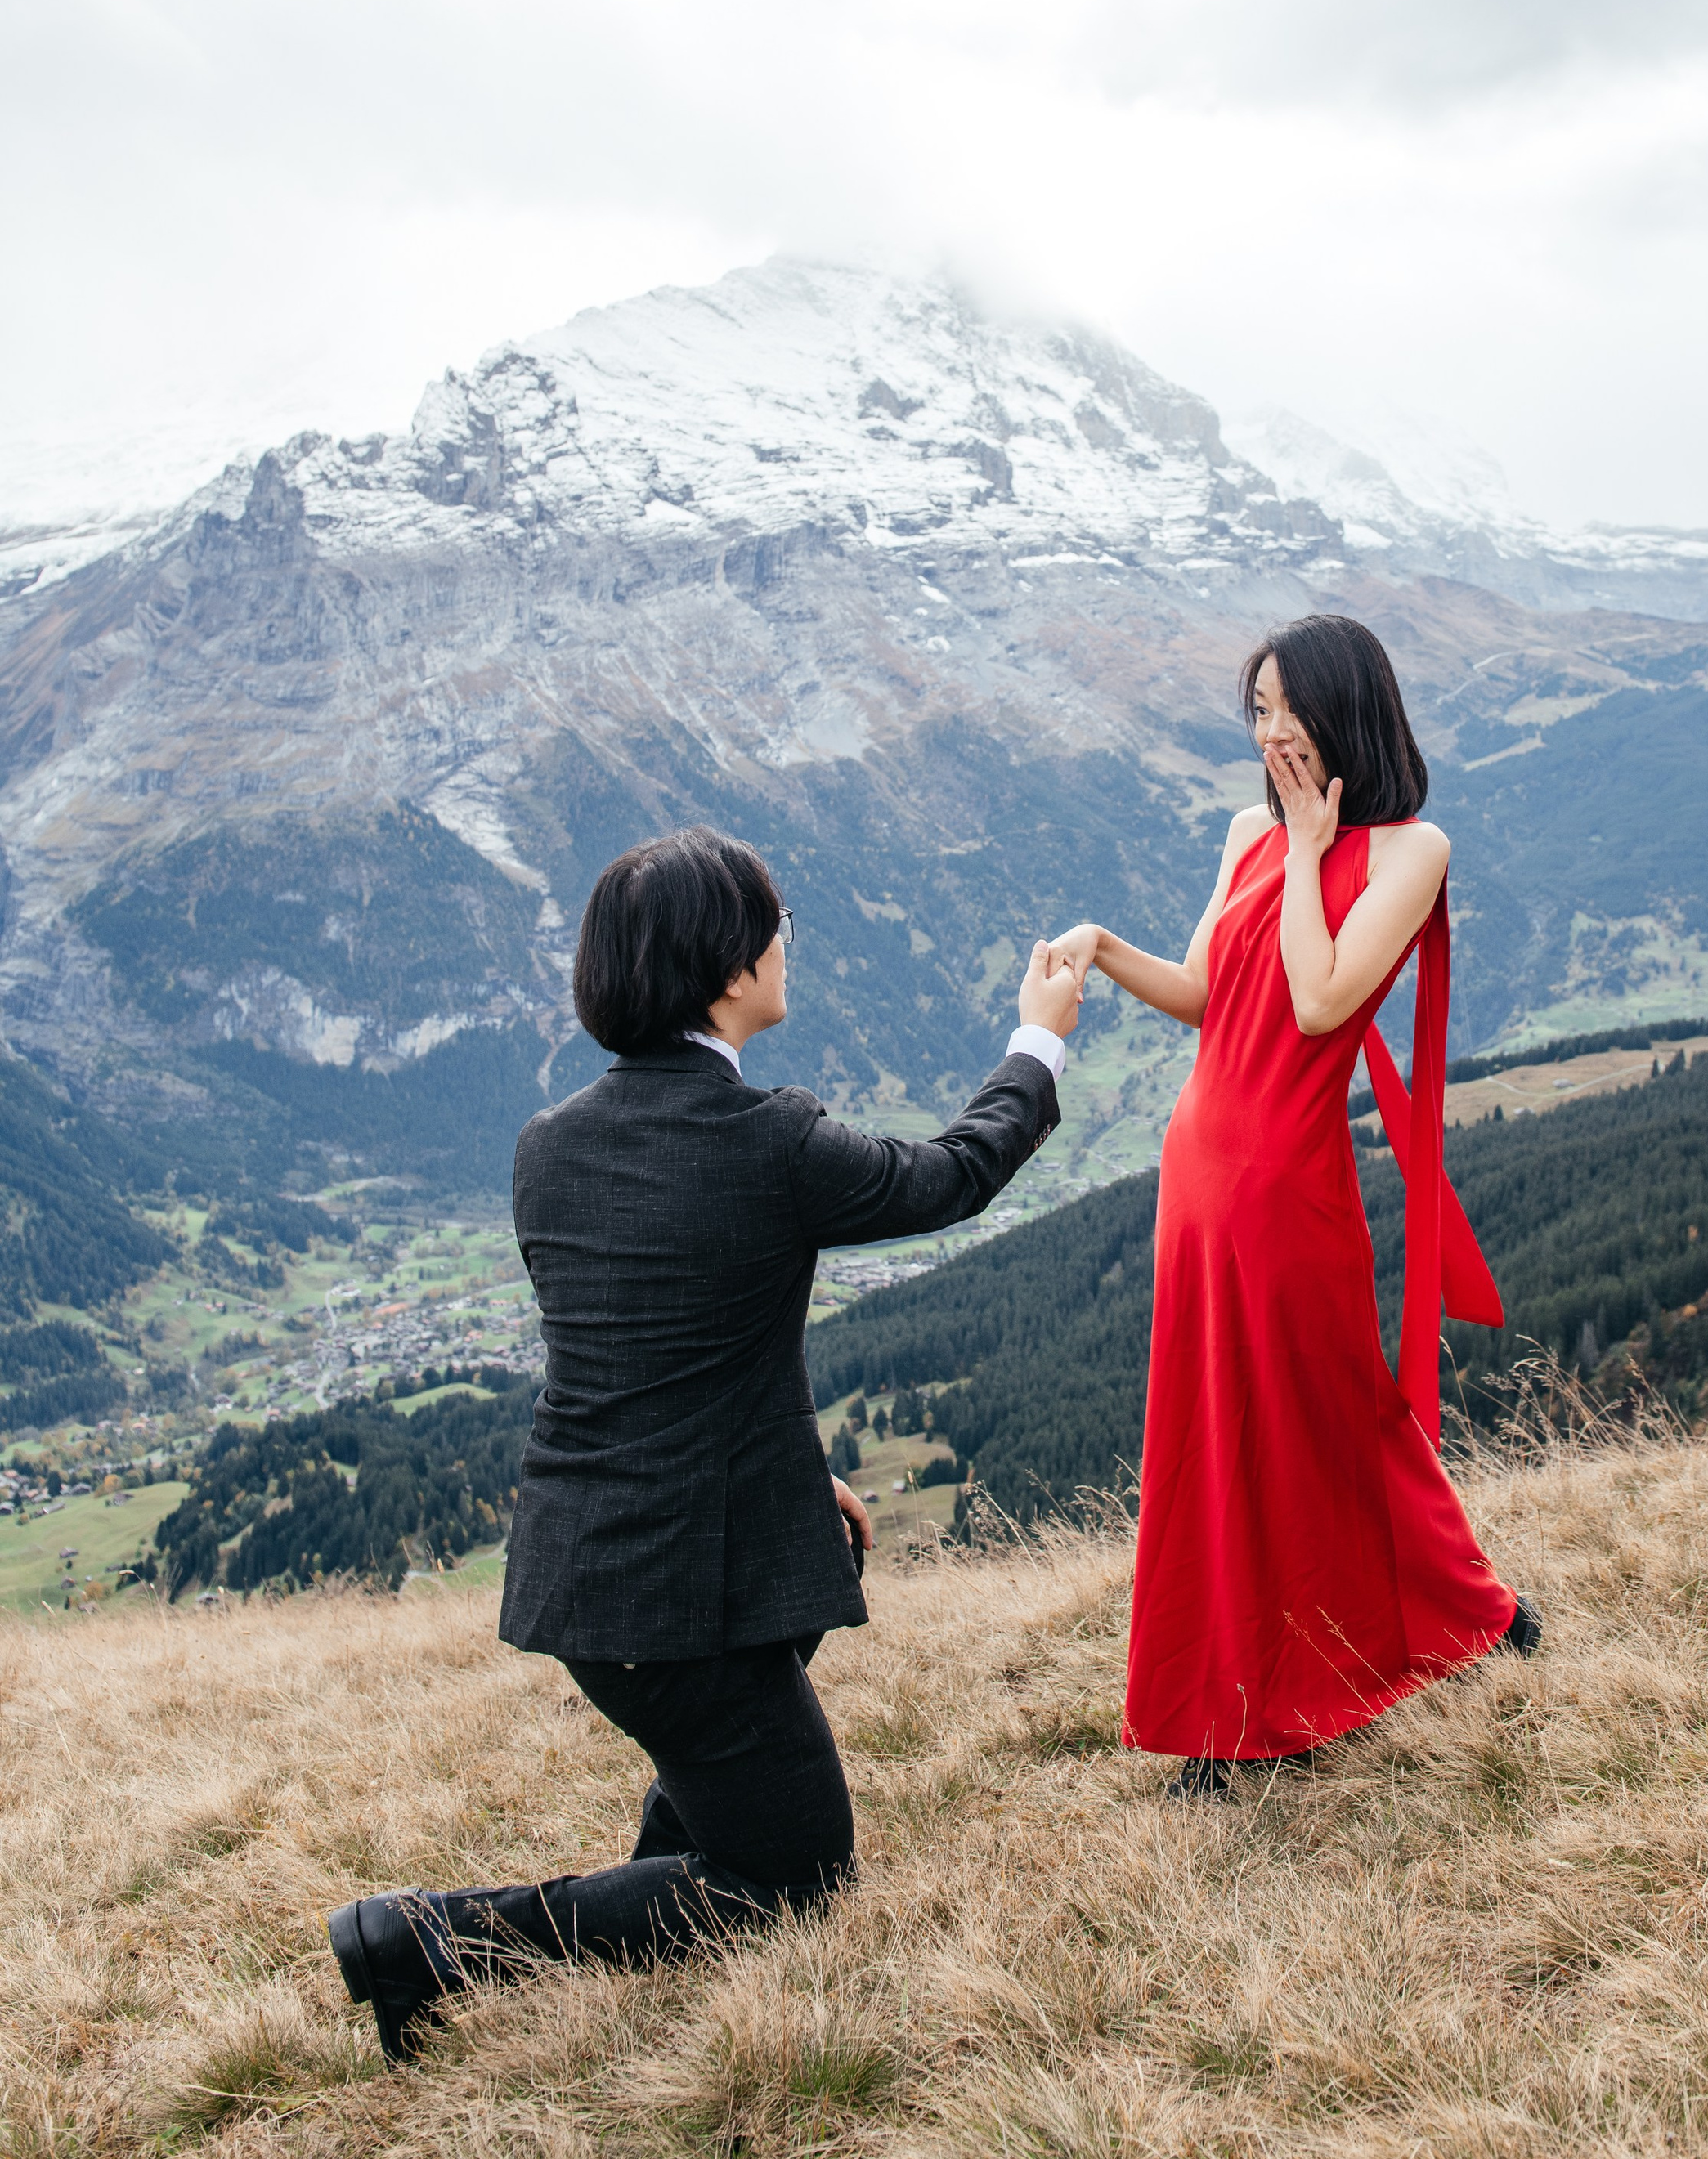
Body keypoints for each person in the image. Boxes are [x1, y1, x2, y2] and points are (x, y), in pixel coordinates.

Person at [329, 824, 1080, 2058]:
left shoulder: (546, 1148)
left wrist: (799, 1476)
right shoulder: (767, 1139)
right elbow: (951, 1175)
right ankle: (427, 1941)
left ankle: (639, 1928)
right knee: (795, 1874)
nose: (788, 944)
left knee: (736, 1783)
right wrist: (1037, 1036)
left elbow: (658, 1356)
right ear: (728, 971)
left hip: (594, 1571)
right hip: (671, 1599)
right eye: (775, 925)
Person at [1048, 614, 1535, 1798]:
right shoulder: (1242, 834)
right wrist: (1105, 947)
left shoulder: (1411, 850)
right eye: (1255, 709)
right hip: (1200, 1167)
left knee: (1326, 1415)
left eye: (1287, 708)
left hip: (1287, 1182)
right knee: (1213, 1433)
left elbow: (1320, 1004)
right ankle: (1231, 1708)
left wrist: (1315, 853)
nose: (1269, 733)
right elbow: (1212, 993)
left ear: (1345, 710)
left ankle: (1456, 1618)